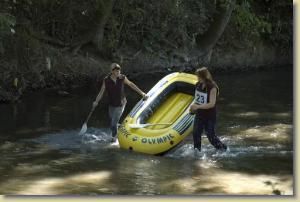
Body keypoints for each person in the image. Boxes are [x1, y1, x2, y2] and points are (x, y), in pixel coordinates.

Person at [92, 63, 148, 142]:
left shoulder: (122, 78)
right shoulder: (106, 80)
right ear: (112, 71)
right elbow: (101, 92)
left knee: (113, 124)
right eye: (116, 71)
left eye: (119, 71)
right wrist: (96, 101)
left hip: (121, 103)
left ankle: (114, 139)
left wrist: (142, 93)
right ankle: (121, 132)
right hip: (111, 104)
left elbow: (131, 84)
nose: (118, 72)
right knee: (113, 122)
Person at [189, 66, 227, 151]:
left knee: (211, 136)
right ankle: (197, 151)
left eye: (199, 76)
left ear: (204, 76)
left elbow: (211, 104)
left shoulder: (212, 87)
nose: (197, 78)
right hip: (199, 114)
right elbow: (197, 99)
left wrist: (198, 106)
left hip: (210, 116)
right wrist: (193, 108)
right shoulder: (198, 84)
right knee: (196, 133)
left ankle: (223, 149)